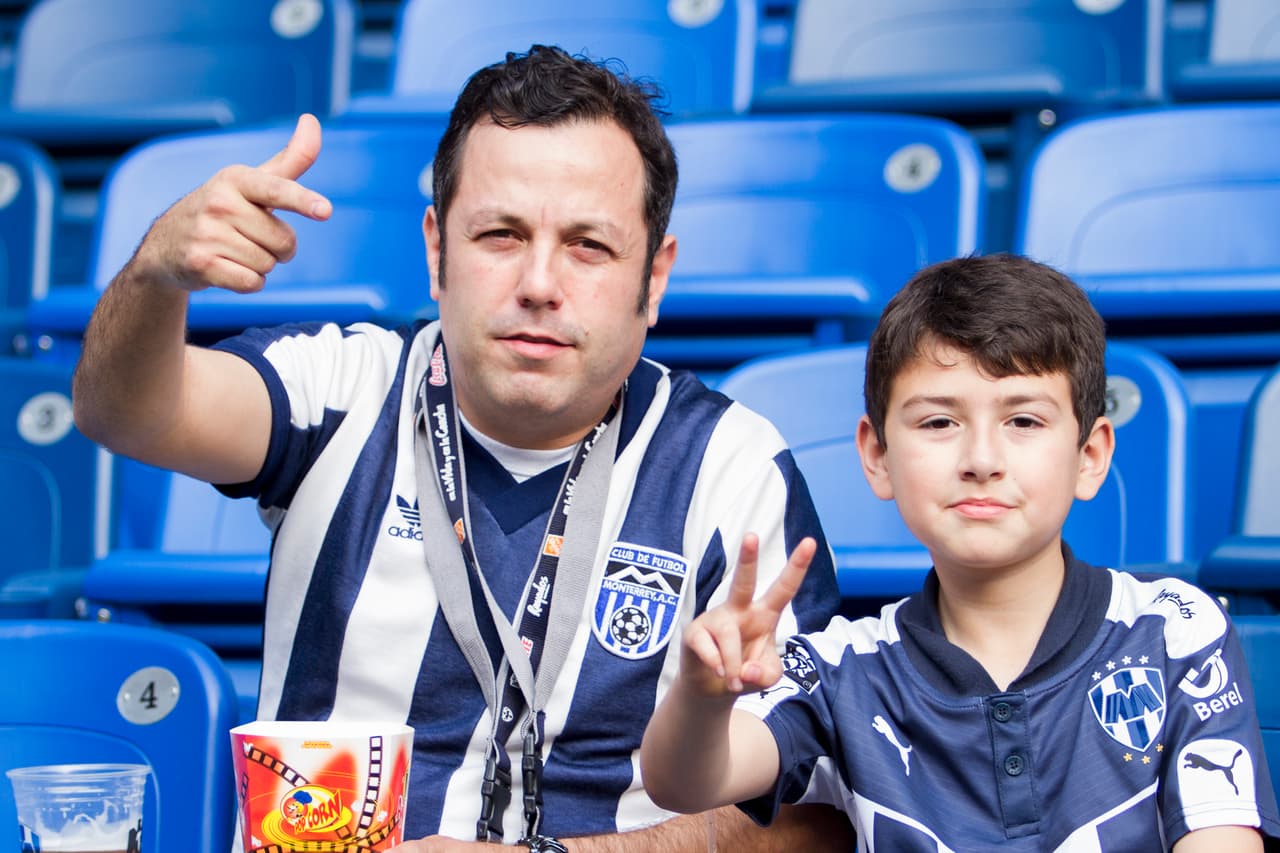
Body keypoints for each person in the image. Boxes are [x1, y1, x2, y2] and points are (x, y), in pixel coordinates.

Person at [72, 45, 854, 852]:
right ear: (437, 250)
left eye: (588, 244)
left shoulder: (730, 464)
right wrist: (158, 276)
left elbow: (810, 820)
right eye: (500, 234)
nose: (540, 283)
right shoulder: (345, 385)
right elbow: (122, 410)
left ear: (654, 279)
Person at [640, 253, 1280, 851]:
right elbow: (685, 785)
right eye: (939, 422)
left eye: (1023, 421)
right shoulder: (841, 669)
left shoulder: (1174, 630)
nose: (981, 461)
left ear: (1091, 456)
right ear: (877, 456)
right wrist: (703, 694)